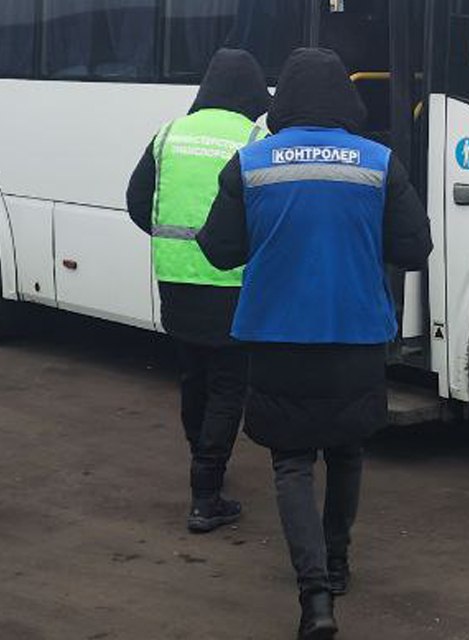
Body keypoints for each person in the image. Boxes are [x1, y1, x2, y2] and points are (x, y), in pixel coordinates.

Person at [197, 48, 432, 640]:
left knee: (292, 462)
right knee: (347, 451)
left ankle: (315, 597)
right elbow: (414, 247)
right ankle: (339, 562)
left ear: (284, 103)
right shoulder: (378, 162)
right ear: (346, 101)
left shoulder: (251, 163)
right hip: (356, 334)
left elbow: (218, 249)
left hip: (276, 335)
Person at [125, 48, 270, 533]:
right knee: (229, 386)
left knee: (193, 376)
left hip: (175, 279)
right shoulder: (253, 139)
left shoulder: (169, 134)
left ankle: (201, 459)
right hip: (230, 283)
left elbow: (136, 201)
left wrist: (172, 240)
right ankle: (206, 495)